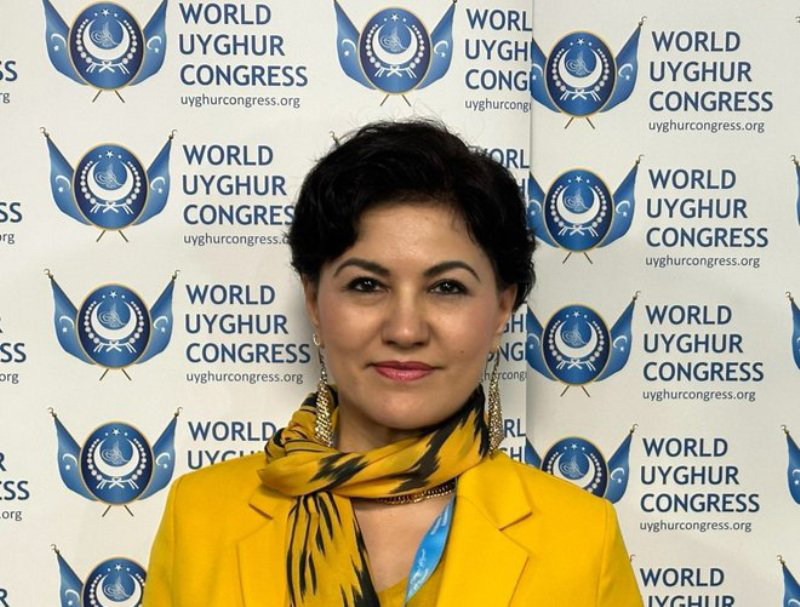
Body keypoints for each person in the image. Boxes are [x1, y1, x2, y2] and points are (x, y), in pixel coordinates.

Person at [142, 120, 643, 606]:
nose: (405, 330)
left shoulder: (581, 537)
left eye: (447, 288)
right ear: (314, 301)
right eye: (367, 285)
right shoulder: (201, 516)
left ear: (501, 310)